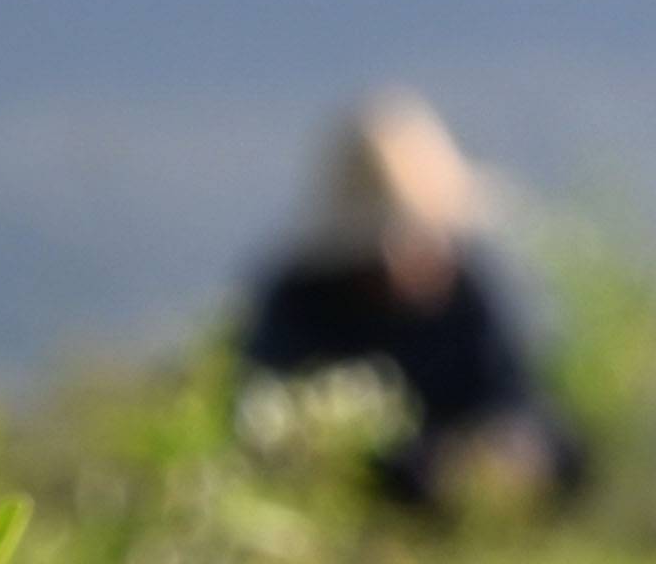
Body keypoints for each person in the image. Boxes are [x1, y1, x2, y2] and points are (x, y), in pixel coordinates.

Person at [233, 93, 577, 516]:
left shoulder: (469, 291)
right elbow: (271, 437)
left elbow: (522, 401)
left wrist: (517, 450)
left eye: (416, 238)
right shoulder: (298, 307)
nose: (401, 259)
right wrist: (426, 470)